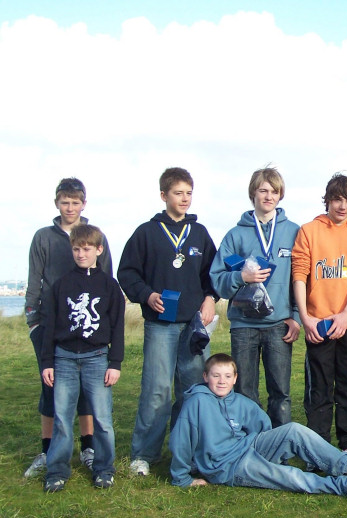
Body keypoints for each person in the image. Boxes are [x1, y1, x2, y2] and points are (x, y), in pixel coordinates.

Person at [118, 167, 218, 476]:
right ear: (164, 195)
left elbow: (212, 274)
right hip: (160, 324)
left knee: (191, 389)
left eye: (189, 193)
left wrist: (211, 298)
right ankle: (144, 455)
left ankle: (186, 452)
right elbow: (127, 273)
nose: (185, 198)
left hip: (193, 326)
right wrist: (147, 296)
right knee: (157, 389)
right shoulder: (146, 233)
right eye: (178, 193)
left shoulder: (199, 233)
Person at [169, 353, 347, 500]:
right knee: (286, 476)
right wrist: (182, 478)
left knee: (293, 429)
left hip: (249, 447)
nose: (221, 381)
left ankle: (345, 465)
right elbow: (181, 441)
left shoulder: (239, 401)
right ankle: (345, 486)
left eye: (227, 376)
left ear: (235, 379)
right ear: (205, 377)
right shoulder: (197, 402)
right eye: (216, 376)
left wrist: (270, 449)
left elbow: (264, 424)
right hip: (227, 466)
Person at [23, 177, 112, 478]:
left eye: (75, 202)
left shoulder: (95, 235)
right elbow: (35, 279)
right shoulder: (44, 237)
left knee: (88, 391)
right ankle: (47, 451)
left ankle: (88, 448)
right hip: (51, 326)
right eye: (65, 202)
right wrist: (34, 320)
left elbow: (107, 281)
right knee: (51, 390)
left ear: (83, 204)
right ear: (57, 203)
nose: (70, 207)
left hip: (88, 328)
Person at [210, 166, 300, 426]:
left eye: (274, 191)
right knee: (245, 392)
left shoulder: (294, 232)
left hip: (279, 324)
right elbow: (217, 281)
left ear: (280, 195)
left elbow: (300, 279)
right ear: (253, 194)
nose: (268, 196)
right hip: (243, 326)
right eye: (263, 190)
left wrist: (295, 317)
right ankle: (250, 445)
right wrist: (241, 277)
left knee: (280, 393)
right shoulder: (234, 235)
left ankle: (280, 449)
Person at [291, 174, 347, 450]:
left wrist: (346, 315)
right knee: (319, 388)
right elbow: (300, 274)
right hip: (318, 324)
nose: (342, 206)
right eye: (337, 199)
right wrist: (306, 318)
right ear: (327, 200)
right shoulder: (308, 231)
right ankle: (318, 447)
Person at [40, 224, 125, 492]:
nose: (81, 254)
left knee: (102, 418)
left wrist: (115, 363)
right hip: (64, 358)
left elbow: (117, 326)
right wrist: (47, 362)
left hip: (97, 357)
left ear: (99, 250)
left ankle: (104, 468)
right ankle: (56, 470)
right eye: (76, 249)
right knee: (63, 418)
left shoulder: (110, 286)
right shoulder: (61, 285)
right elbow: (50, 326)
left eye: (87, 249)